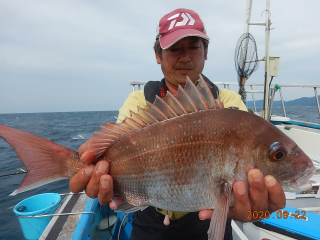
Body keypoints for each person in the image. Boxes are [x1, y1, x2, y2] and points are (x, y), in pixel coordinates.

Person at [69, 8, 286, 240]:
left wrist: (254, 210)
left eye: (194, 47)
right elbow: (115, 147)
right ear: (157, 55)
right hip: (150, 216)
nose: (185, 57)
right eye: (174, 49)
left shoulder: (228, 104)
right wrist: (86, 162)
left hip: (209, 216)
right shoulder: (139, 102)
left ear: (205, 53)